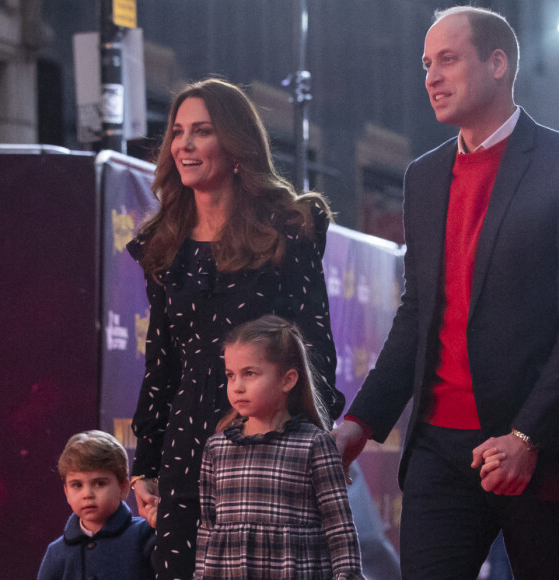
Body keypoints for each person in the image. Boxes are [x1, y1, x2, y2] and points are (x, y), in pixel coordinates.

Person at [332, 6, 559, 579]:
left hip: (537, 447)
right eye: (427, 64)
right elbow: (418, 313)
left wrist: (529, 433)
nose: (431, 76)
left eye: (448, 60)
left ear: (499, 63)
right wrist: (358, 424)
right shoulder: (424, 176)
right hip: (437, 449)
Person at [127, 78, 344, 578]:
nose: (183, 144)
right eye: (178, 132)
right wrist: (146, 463)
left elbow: (314, 346)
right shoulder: (164, 245)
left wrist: (311, 441)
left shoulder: (289, 227)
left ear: (235, 144)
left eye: (201, 131)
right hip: (185, 451)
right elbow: (160, 363)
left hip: (269, 446)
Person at [194, 315, 363, 579]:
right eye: (230, 375)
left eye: (249, 374)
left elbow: (339, 528)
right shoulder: (217, 448)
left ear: (288, 380)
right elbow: (207, 528)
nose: (237, 386)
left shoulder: (314, 445)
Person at [37, 430, 155, 580]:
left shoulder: (145, 535)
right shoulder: (56, 552)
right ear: (66, 492)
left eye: (100, 483)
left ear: (123, 488)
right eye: (77, 485)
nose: (88, 494)